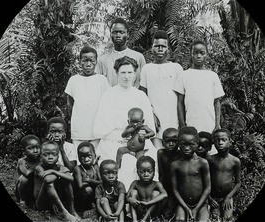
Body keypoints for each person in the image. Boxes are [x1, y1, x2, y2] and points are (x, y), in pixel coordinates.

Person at [93, 56, 158, 191]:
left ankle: (145, 196)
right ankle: (122, 197)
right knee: (125, 162)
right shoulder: (108, 95)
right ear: (117, 73)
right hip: (114, 140)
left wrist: (140, 135)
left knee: (150, 158)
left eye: (130, 72)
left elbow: (150, 128)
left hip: (139, 141)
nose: (127, 77)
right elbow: (101, 126)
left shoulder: (140, 95)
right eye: (123, 72)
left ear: (135, 74)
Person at [139, 30, 184, 149]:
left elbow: (181, 98)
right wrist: (151, 114)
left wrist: (182, 123)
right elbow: (142, 96)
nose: (160, 49)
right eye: (157, 46)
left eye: (163, 46)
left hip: (173, 121)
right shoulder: (146, 69)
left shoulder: (176, 68)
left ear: (168, 49)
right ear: (152, 48)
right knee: (158, 156)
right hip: (154, 122)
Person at [173, 40, 225, 133]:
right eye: (195, 53)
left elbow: (217, 103)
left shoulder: (212, 76)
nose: (199, 56)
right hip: (190, 123)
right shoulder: (183, 75)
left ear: (206, 54)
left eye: (202, 53)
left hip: (210, 124)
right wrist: (182, 125)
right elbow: (180, 102)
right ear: (191, 54)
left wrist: (217, 125)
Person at [64, 46, 110, 151]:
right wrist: (74, 119)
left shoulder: (102, 80)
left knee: (95, 156)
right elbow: (69, 103)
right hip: (79, 128)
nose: (88, 64)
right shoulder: (74, 80)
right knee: (80, 154)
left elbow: (107, 104)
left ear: (96, 62)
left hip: (97, 128)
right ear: (80, 61)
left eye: (92, 61)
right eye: (85, 60)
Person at [33, 141, 81, 222]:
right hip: (41, 203)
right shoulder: (39, 168)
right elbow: (47, 180)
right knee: (50, 183)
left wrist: (53, 171)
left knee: (66, 181)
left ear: (58, 157)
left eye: (53, 154)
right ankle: (64, 212)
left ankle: (72, 210)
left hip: (54, 201)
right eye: (46, 154)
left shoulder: (59, 166)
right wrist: (61, 172)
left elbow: (71, 178)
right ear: (41, 157)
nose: (50, 157)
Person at [170, 126, 211, 222]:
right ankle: (184, 210)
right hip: (183, 203)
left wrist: (196, 209)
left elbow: (208, 188)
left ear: (197, 144)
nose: (187, 148)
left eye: (191, 144)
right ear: (179, 144)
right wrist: (185, 207)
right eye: (183, 144)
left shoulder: (202, 162)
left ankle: (205, 209)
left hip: (201, 203)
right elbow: (175, 189)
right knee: (180, 219)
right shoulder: (175, 164)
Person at [96, 17, 146, 88]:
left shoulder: (138, 57)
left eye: (121, 32)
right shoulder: (102, 60)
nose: (118, 35)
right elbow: (98, 85)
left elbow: (143, 84)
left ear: (127, 34)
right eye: (115, 32)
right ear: (110, 35)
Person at [207, 129, 241, 222]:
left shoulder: (235, 161)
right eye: (217, 140)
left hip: (227, 196)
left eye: (223, 140)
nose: (220, 143)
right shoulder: (210, 160)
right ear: (213, 142)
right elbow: (205, 181)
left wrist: (229, 197)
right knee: (214, 218)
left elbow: (238, 183)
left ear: (230, 141)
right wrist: (209, 199)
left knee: (227, 219)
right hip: (213, 198)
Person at [127, 156, 168, 222]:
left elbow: (165, 194)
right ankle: (134, 220)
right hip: (139, 209)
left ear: (154, 172)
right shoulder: (135, 183)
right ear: (137, 172)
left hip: (153, 212)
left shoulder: (156, 184)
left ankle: (144, 220)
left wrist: (149, 203)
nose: (146, 174)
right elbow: (127, 196)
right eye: (142, 172)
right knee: (133, 192)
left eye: (149, 171)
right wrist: (131, 199)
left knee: (156, 193)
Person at [157, 128, 179, 217]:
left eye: (174, 141)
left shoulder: (181, 155)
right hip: (165, 188)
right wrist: (162, 192)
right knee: (160, 210)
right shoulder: (161, 153)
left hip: (178, 190)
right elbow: (161, 174)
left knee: (171, 211)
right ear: (162, 143)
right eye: (168, 141)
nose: (171, 144)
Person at [73, 141, 101, 211]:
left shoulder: (96, 167)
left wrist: (90, 180)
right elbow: (80, 185)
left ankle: (97, 206)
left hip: (94, 194)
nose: (86, 159)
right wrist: (95, 182)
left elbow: (102, 182)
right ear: (78, 157)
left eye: (89, 156)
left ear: (94, 155)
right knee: (88, 189)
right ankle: (84, 209)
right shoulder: (78, 169)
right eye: (82, 157)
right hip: (80, 196)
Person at [15, 134, 41, 207]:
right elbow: (26, 173)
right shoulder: (22, 161)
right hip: (23, 190)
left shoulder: (41, 159)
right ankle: (22, 199)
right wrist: (39, 165)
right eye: (31, 148)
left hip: (35, 188)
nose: (35, 151)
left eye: (37, 147)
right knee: (23, 179)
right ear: (24, 151)